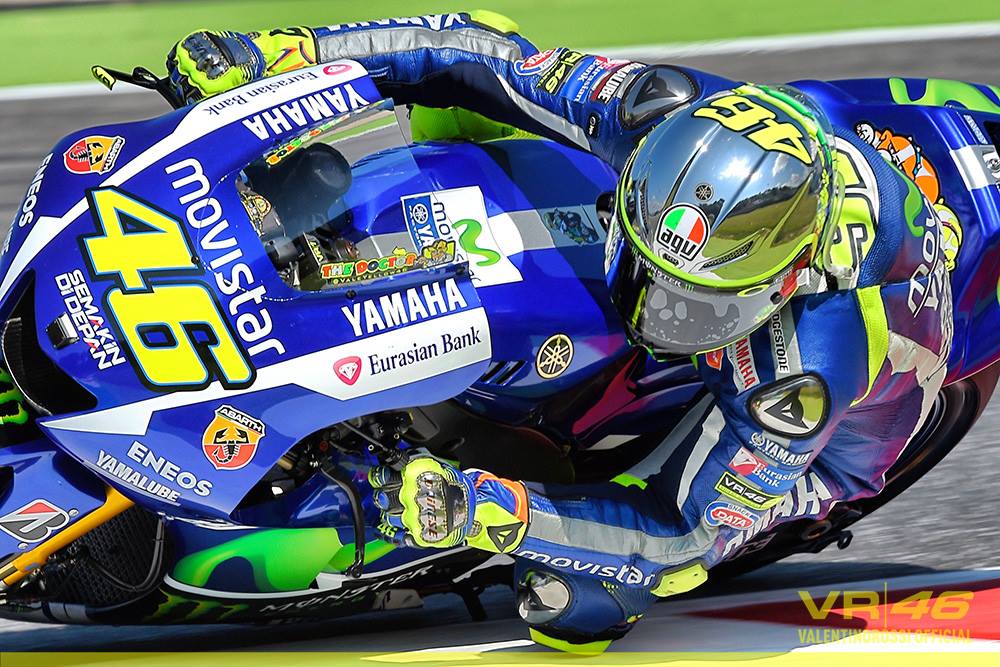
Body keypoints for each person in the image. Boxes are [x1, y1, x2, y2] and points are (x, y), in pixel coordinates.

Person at [166, 14, 954, 652]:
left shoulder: (802, 373)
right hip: (800, 163)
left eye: (692, 303)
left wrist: (489, 508)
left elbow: (683, 533)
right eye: (649, 274)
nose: (655, 311)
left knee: (571, 604)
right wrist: (286, 55)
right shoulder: (659, 112)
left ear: (784, 283)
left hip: (822, 453)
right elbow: (473, 48)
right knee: (478, 85)